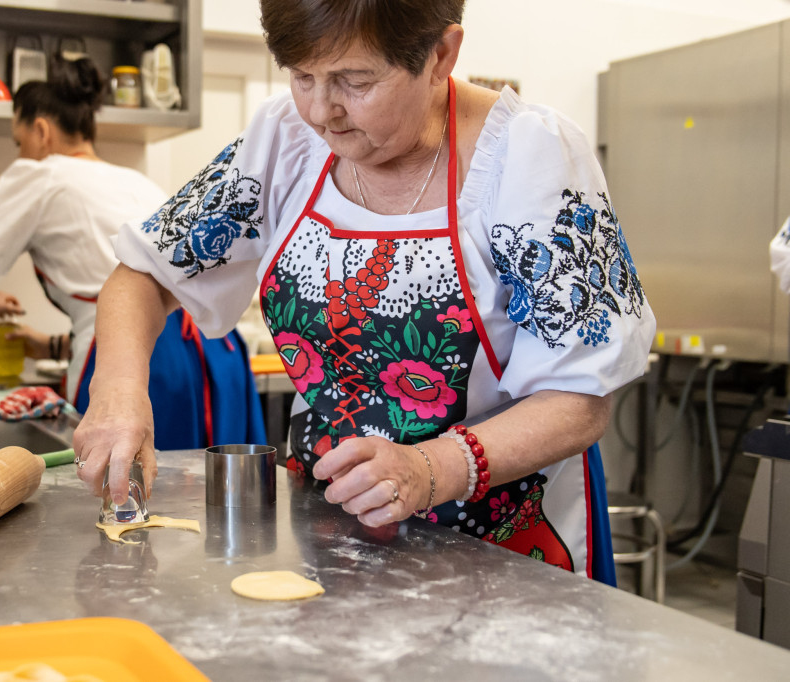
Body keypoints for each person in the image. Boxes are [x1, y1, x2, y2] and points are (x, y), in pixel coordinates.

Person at [73, 0, 655, 583]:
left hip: (501, 548)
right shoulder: (285, 140)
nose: (323, 111)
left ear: (440, 54)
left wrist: (431, 468)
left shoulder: (527, 156)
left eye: (355, 81)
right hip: (327, 532)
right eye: (302, 77)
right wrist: (119, 392)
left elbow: (581, 398)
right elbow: (144, 273)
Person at [0, 56, 265, 449]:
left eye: (19, 142)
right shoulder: (132, 180)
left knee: (125, 498)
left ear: (40, 130)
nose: (20, 154)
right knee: (215, 500)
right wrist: (53, 346)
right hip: (217, 356)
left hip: (147, 367)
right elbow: (155, 302)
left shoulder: (39, 175)